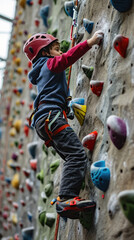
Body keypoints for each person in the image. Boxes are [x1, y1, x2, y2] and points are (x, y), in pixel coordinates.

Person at [23, 30, 104, 219]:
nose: (60, 52)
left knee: (71, 157)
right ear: (45, 53)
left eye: (60, 49)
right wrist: (90, 42)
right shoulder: (49, 64)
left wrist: (65, 106)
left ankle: (67, 198)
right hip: (51, 117)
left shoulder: (42, 72)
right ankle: (66, 199)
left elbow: (52, 91)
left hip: (45, 120)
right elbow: (67, 59)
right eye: (56, 49)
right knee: (76, 154)